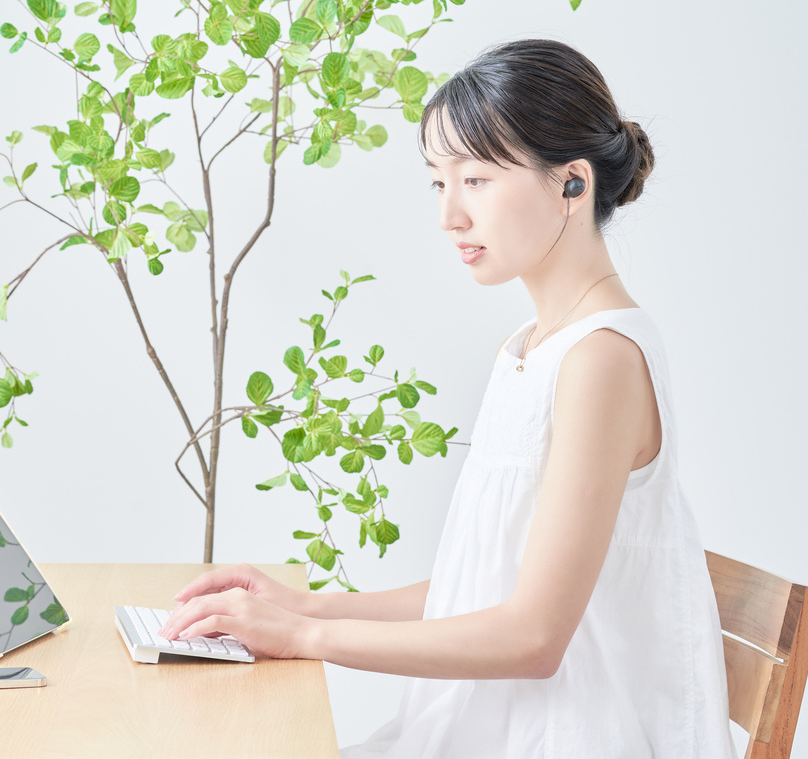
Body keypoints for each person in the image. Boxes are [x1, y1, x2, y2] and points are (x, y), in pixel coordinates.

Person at [155, 38, 737, 758]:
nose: (449, 216)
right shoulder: (530, 349)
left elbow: (532, 637)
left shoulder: (602, 360)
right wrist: (301, 604)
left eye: (477, 179)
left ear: (572, 184)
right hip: (487, 728)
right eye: (439, 182)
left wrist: (306, 637)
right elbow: (481, 584)